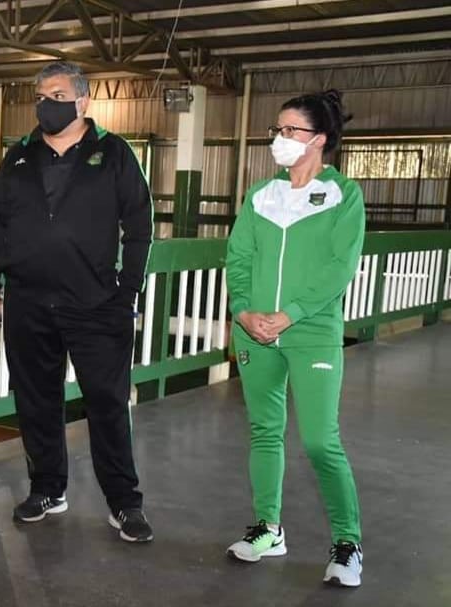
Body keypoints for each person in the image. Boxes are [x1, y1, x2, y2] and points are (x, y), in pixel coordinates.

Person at [0, 62, 154, 542]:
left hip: (97, 304)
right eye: (39, 94)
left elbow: (139, 226)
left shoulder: (113, 154)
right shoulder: (18, 157)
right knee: (36, 401)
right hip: (29, 303)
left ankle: (123, 502)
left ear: (82, 102)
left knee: (108, 403)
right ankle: (47, 488)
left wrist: (127, 290)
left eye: (55, 93)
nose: (44, 103)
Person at [224, 90, 364, 587]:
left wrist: (291, 314)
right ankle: (269, 527)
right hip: (256, 333)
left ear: (319, 140)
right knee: (265, 431)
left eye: (290, 131)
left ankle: (347, 544)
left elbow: (339, 266)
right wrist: (243, 311)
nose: (279, 140)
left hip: (312, 333)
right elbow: (238, 258)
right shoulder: (261, 195)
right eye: (276, 131)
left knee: (320, 441)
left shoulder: (343, 195)